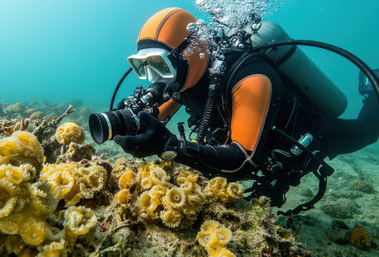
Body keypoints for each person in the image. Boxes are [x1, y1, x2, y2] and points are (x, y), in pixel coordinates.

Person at [111, 8, 379, 213]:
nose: (155, 79)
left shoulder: (251, 78)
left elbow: (242, 160)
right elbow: (153, 117)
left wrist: (170, 147)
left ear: (190, 53)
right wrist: (129, 121)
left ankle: (372, 91)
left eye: (160, 65)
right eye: (143, 67)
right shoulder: (189, 78)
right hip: (258, 140)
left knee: (368, 131)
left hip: (313, 132)